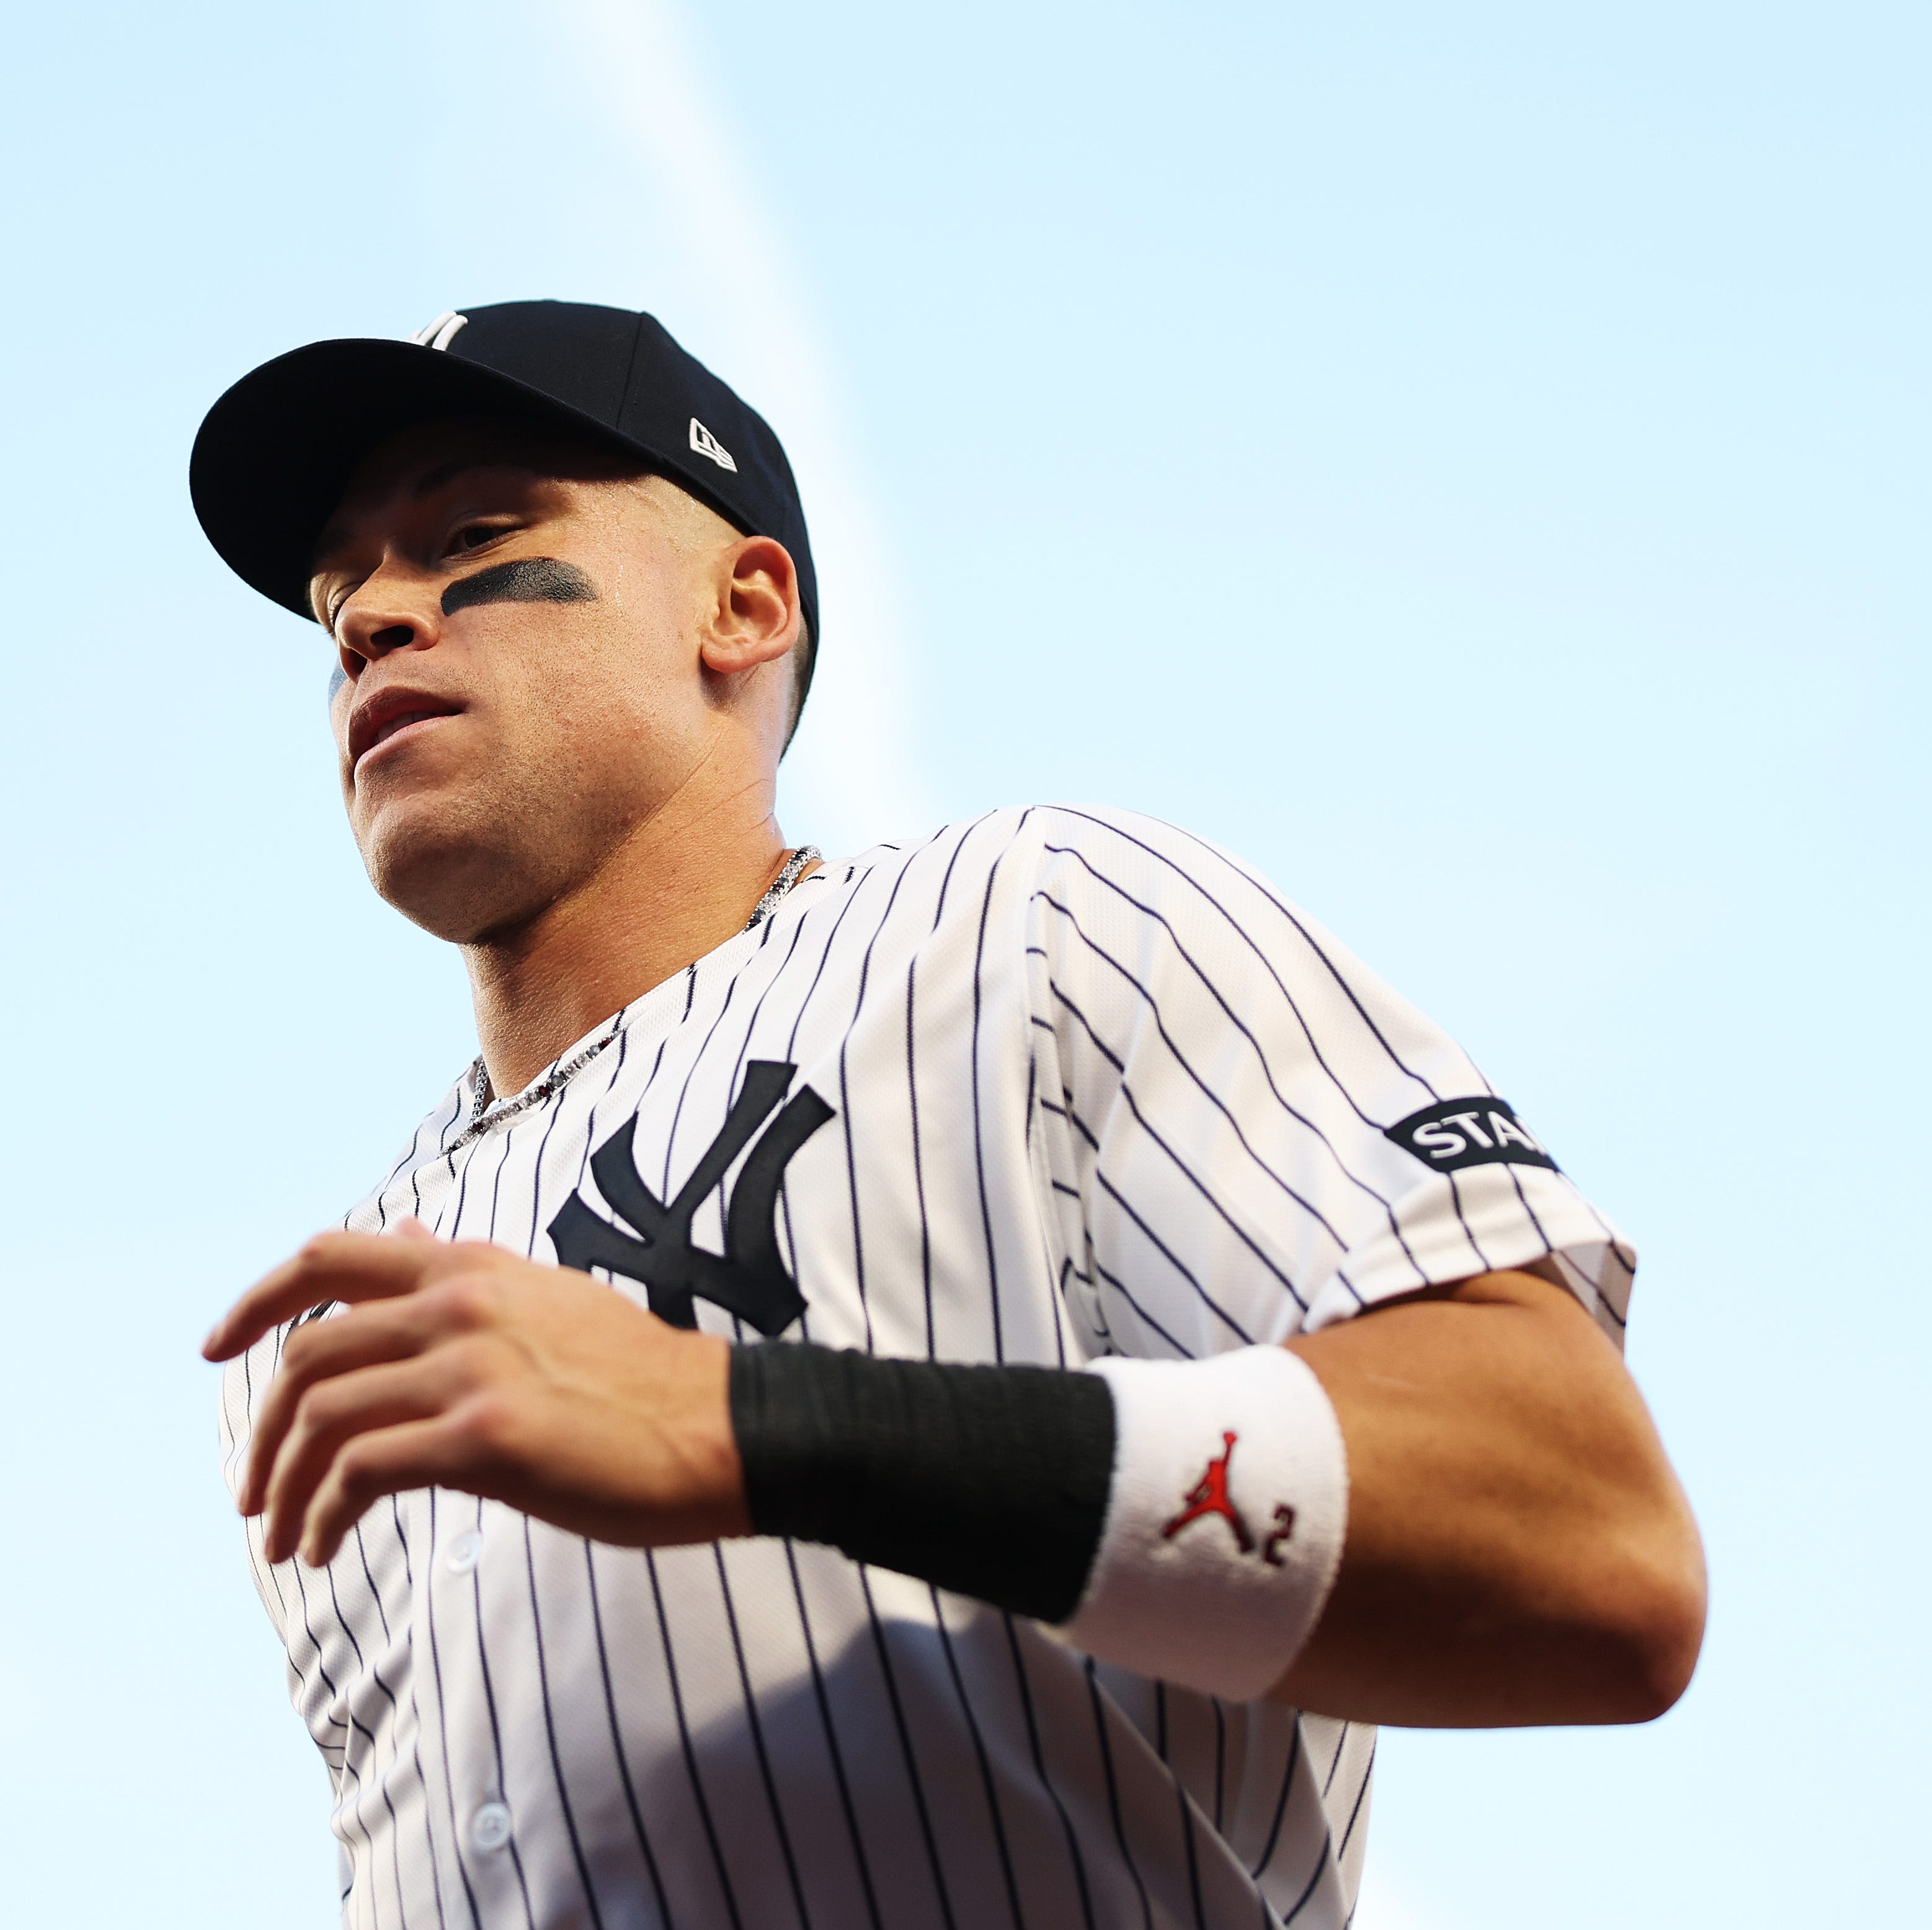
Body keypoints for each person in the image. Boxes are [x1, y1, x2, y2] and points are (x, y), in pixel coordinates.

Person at [189, 300, 1703, 1930]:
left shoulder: (1031, 925)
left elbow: (1590, 1551)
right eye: (340, 594)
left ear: (740, 604)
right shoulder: (329, 1315)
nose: (371, 620)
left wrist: (757, 1426)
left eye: (470, 533)